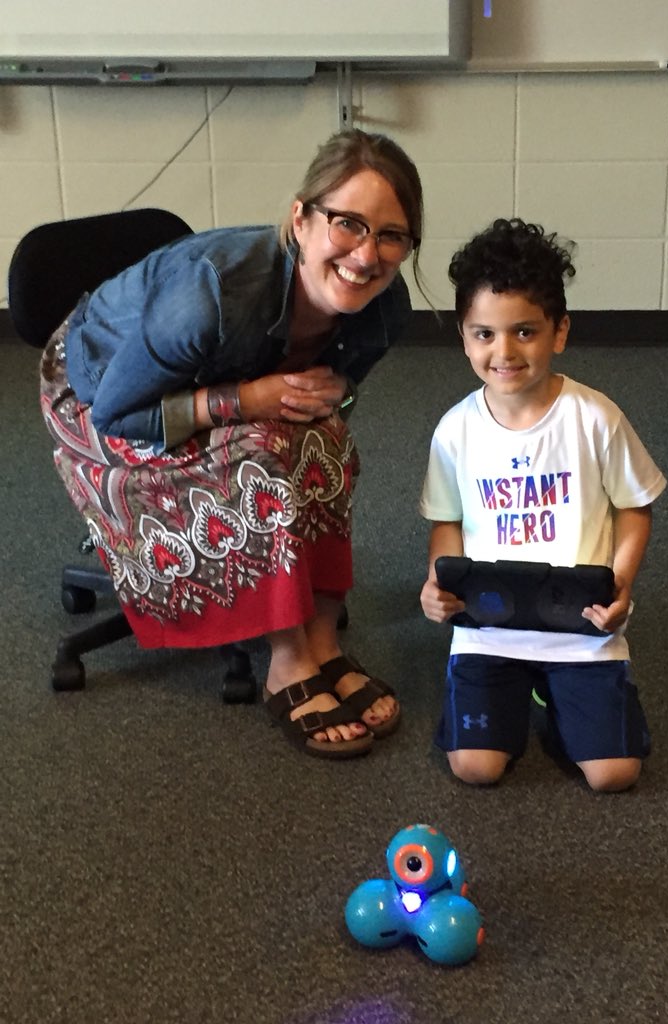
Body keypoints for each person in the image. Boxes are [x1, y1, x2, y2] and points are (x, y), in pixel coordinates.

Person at [40, 128, 425, 759]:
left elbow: (343, 400)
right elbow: (115, 413)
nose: (367, 255)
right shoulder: (208, 297)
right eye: (348, 224)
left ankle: (323, 641)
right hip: (96, 385)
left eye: (391, 236)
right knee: (262, 457)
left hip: (210, 379)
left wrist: (328, 402)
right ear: (301, 220)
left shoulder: (385, 307)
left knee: (324, 442)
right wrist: (245, 402)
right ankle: (287, 657)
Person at [419, 218, 667, 792]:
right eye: (483, 333)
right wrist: (437, 582)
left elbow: (635, 508)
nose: (503, 351)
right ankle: (531, 695)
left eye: (524, 332)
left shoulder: (596, 418)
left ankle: (560, 710)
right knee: (475, 768)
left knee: (613, 775)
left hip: (579, 626)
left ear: (559, 333)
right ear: (463, 335)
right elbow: (447, 522)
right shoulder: (454, 429)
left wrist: (622, 584)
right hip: (489, 624)